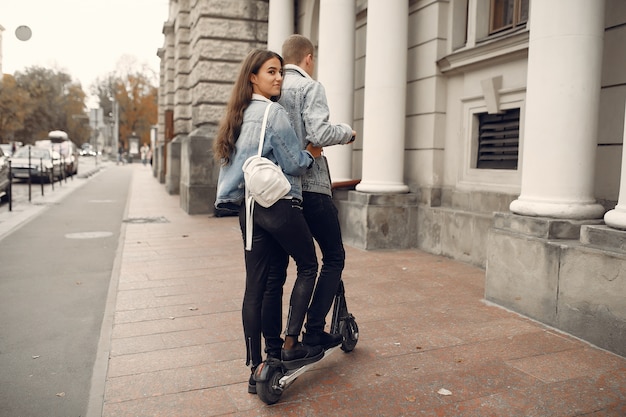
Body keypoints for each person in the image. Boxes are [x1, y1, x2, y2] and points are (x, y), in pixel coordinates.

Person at [213, 49, 324, 393]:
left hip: (247, 209)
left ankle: (261, 362)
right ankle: (293, 340)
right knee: (308, 264)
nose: (278, 78)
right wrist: (312, 154)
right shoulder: (272, 112)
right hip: (276, 204)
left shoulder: (238, 114)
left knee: (261, 283)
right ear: (253, 77)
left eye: (279, 72)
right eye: (272, 72)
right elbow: (293, 163)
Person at [278, 34, 356, 349]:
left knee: (299, 266)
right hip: (313, 187)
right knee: (334, 257)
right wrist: (348, 133)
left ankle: (284, 340)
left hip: (284, 192)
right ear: (308, 57)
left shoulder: (274, 89)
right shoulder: (311, 87)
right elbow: (319, 132)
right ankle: (313, 331)